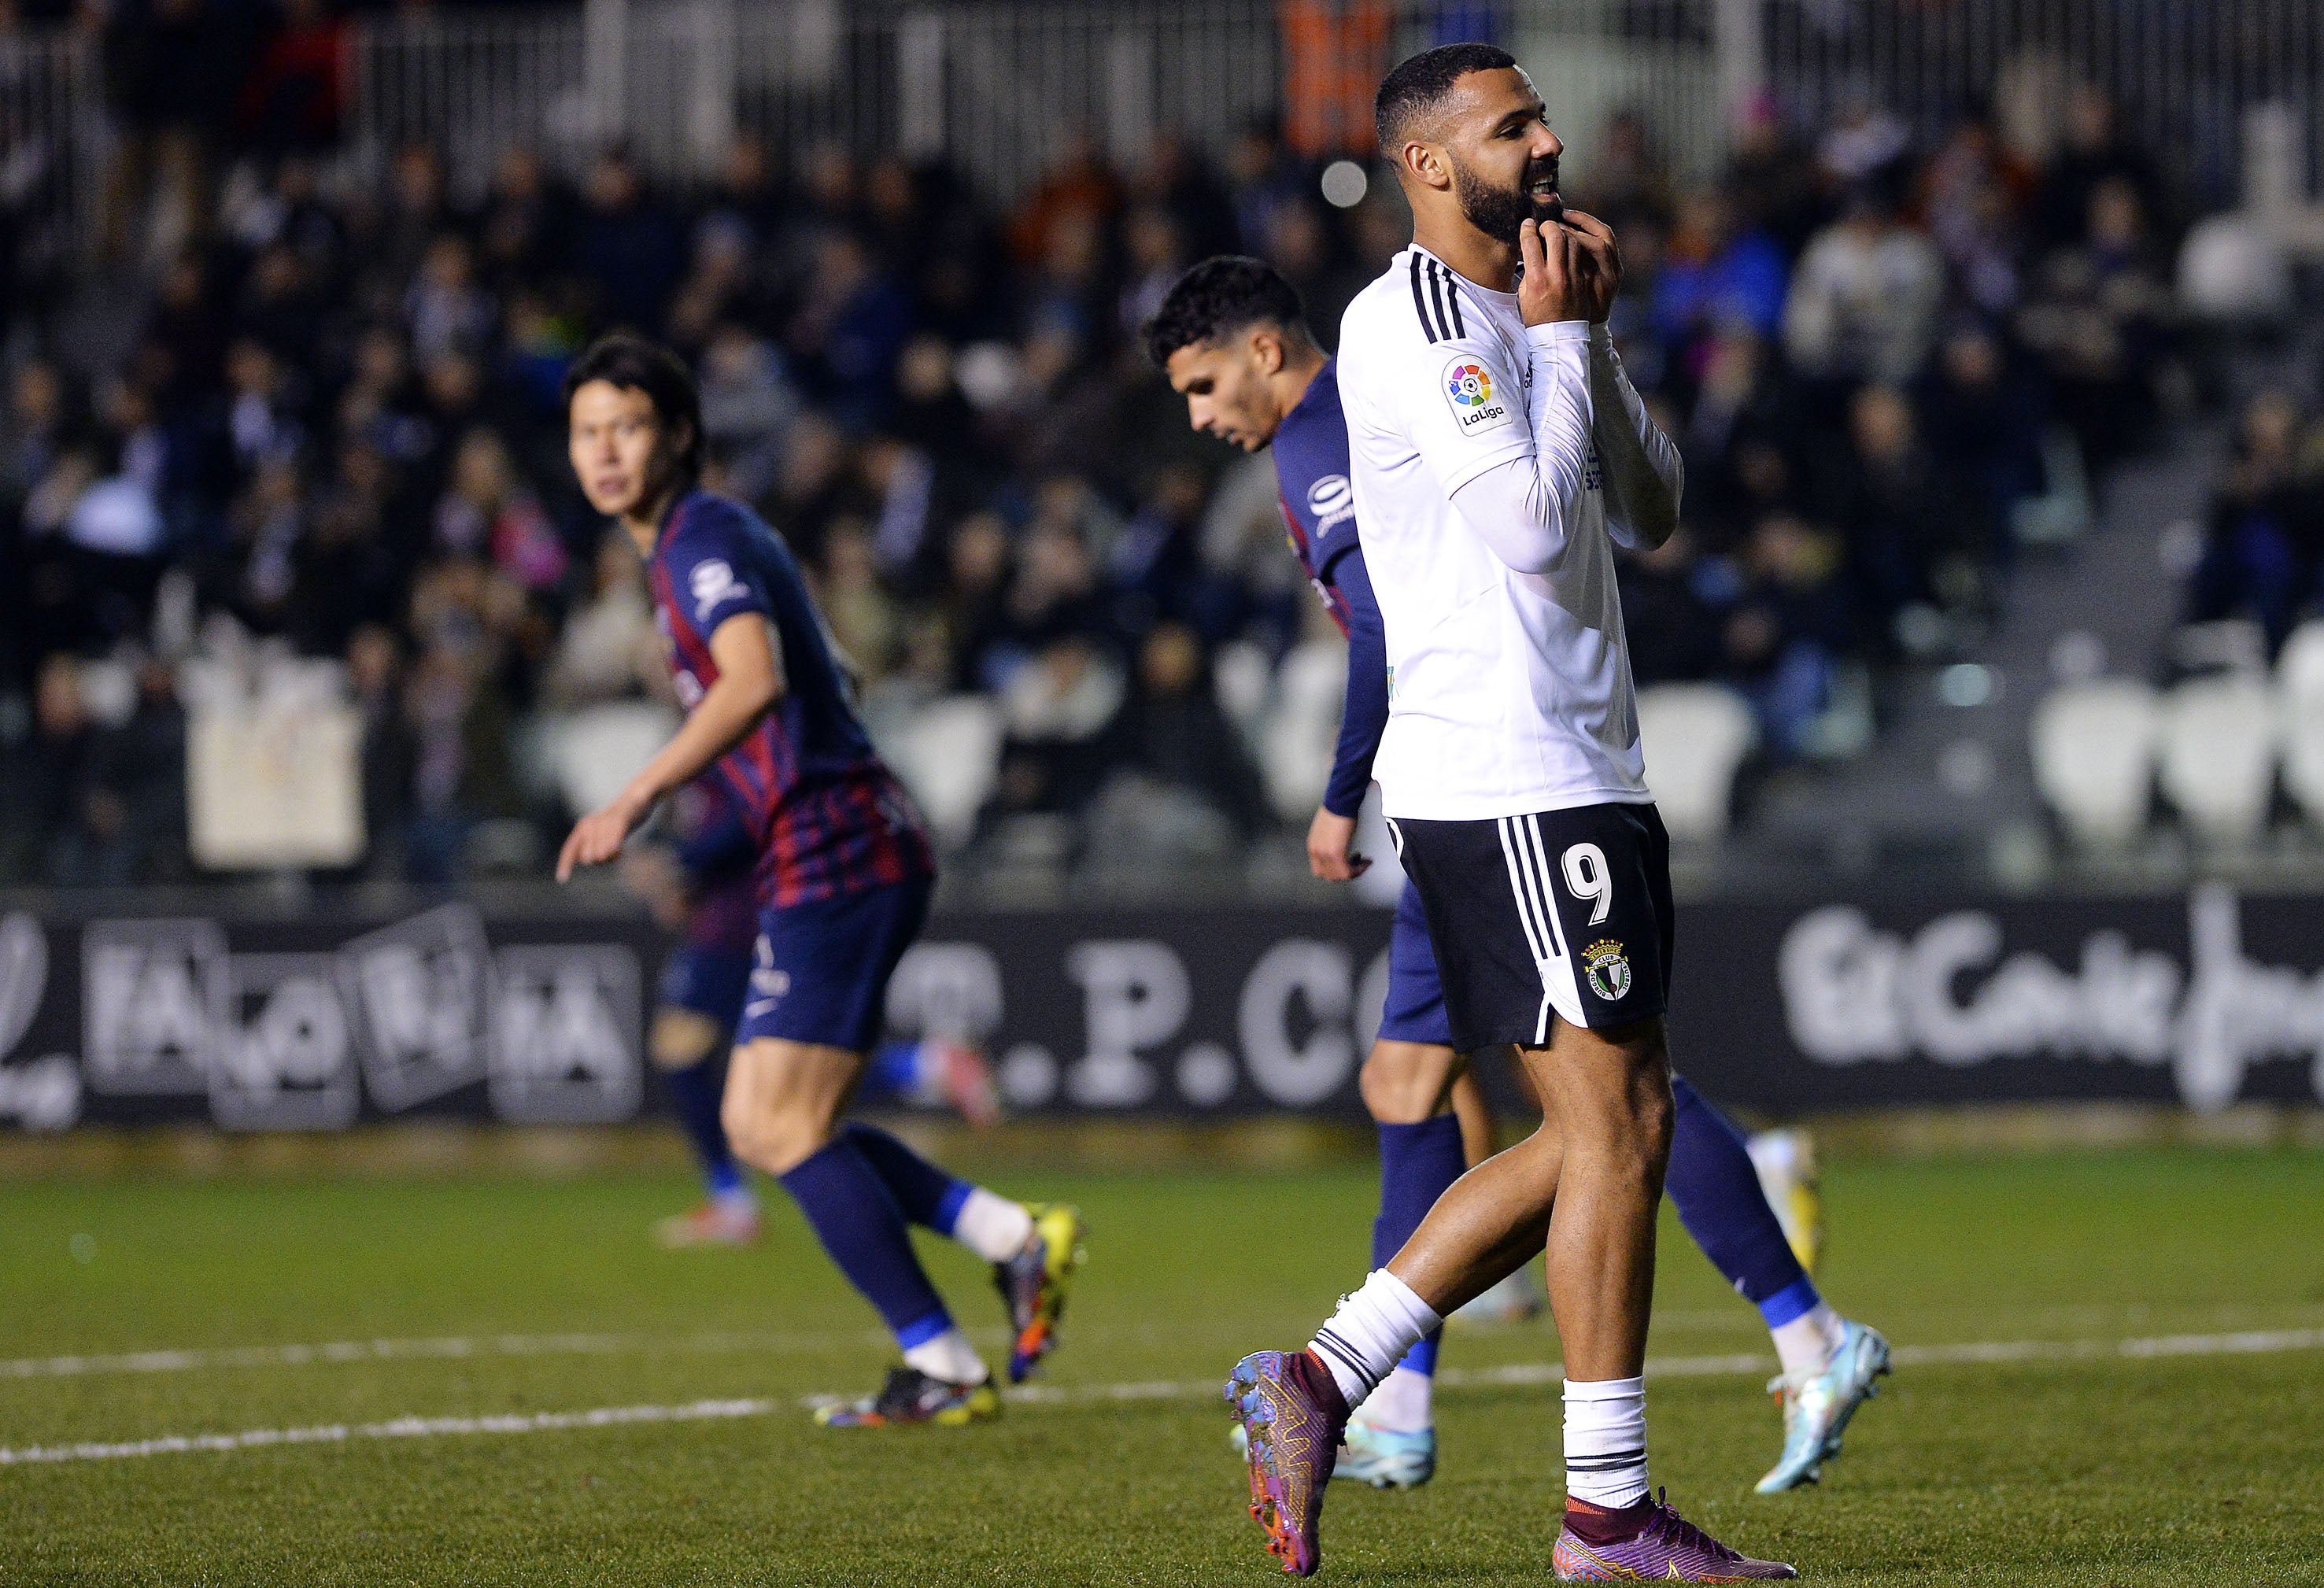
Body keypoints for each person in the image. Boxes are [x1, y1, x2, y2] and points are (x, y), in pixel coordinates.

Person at [1210, 46, 1842, 1580]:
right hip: (1507, 781)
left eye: (1541, 116)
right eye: (1514, 127)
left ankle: (1322, 1378)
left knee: (1599, 1129)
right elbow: (1535, 527)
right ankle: (1602, 1513)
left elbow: (1651, 506)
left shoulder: (1521, 313)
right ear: (1429, 167)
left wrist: (1590, 345)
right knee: (1617, 1123)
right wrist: (1556, 346)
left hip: (1570, 768)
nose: (1550, 143)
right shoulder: (1415, 319)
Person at [556, 333, 1083, 1426]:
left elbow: (752, 681)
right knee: (779, 1122)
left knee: (776, 1125)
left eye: (629, 426)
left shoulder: (700, 534)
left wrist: (631, 797)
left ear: (681, 435)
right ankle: (1007, 1238)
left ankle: (939, 1358)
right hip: (835, 840)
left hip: (836, 845)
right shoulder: (699, 545)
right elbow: (815, 667)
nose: (605, 451)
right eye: (586, 431)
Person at [626, 771, 1003, 1250]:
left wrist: (678, 865)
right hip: (749, 914)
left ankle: (733, 1202)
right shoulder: (709, 740)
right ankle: (925, 1065)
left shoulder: (728, 731)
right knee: (772, 1075)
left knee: (702, 1060)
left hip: (742, 922)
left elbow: (752, 817)